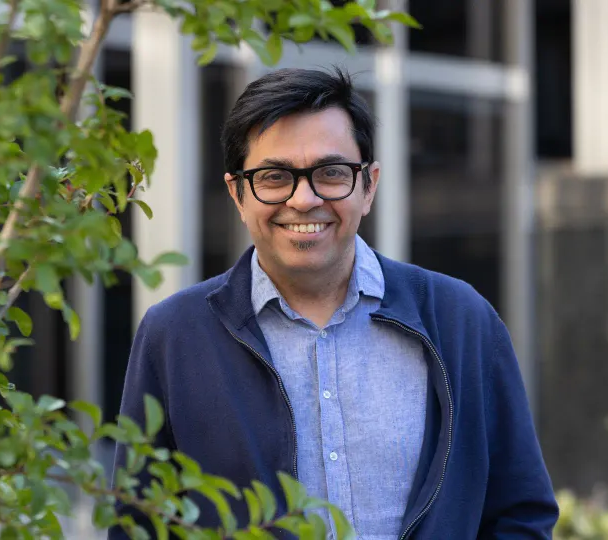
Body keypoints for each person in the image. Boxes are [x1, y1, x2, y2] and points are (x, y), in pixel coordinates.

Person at [109, 67, 559, 539]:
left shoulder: (459, 320)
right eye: (274, 176)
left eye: (331, 173)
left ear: (369, 185)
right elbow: (139, 525)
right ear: (237, 194)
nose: (304, 199)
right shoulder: (177, 334)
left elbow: (519, 515)